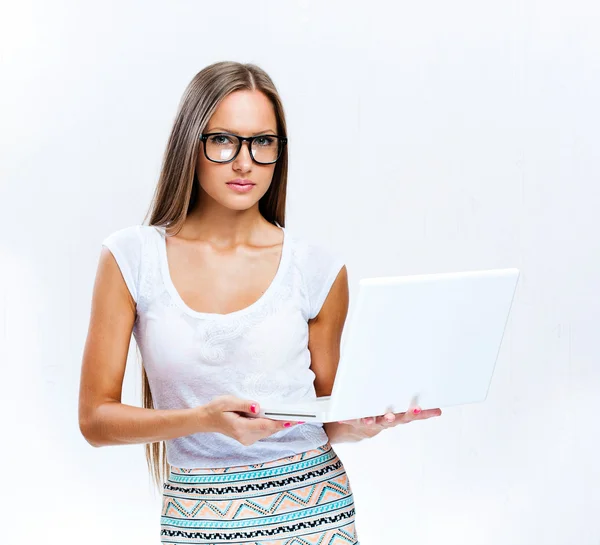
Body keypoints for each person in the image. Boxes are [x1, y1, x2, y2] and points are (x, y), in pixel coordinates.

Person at [78, 60, 442, 544]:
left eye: (263, 142)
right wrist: (201, 420)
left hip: (315, 512)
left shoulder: (317, 269)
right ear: (192, 143)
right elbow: (95, 420)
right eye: (224, 140)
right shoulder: (132, 258)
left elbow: (323, 417)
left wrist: (366, 420)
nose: (244, 162)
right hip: (197, 518)